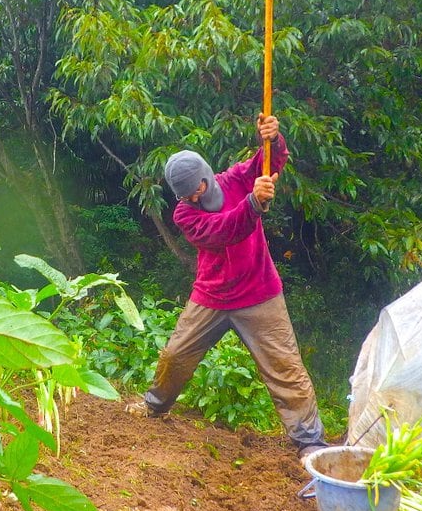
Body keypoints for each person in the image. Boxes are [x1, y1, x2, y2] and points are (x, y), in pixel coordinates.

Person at [127, 113, 328, 460]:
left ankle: (309, 441)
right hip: (213, 296)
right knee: (175, 356)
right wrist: (252, 203)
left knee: (285, 367)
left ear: (206, 177)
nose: (192, 198)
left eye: (196, 190)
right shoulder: (183, 215)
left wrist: (273, 138)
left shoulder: (234, 179)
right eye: (185, 195)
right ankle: (155, 404)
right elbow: (222, 231)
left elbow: (269, 161)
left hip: (259, 291)